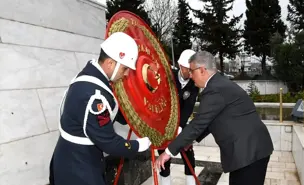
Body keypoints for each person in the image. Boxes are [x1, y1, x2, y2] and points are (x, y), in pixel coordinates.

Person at [156, 51, 274, 185]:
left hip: (249, 153)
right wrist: (190, 141)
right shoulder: (218, 84)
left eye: (192, 71)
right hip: (249, 151)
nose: (190, 75)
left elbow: (198, 123)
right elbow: (210, 121)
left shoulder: (214, 89)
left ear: (201, 70)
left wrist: (168, 152)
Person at [49, 32, 152, 185]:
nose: (126, 74)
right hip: (78, 168)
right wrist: (138, 145)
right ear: (110, 63)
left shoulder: (93, 75)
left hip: (74, 158)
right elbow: (109, 142)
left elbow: (113, 111)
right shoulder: (94, 96)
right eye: (124, 69)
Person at [157, 49, 199, 185]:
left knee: (188, 154)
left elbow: (189, 107)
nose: (191, 73)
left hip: (182, 123)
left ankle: (190, 181)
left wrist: (180, 127)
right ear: (181, 66)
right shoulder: (169, 77)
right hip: (164, 123)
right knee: (164, 156)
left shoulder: (194, 84)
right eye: (189, 69)